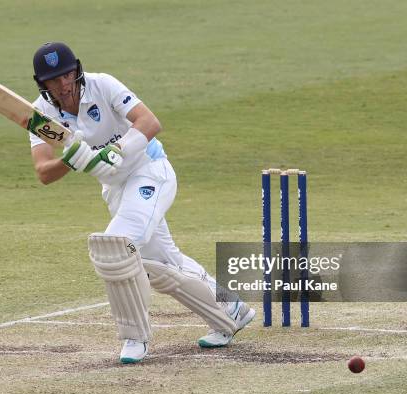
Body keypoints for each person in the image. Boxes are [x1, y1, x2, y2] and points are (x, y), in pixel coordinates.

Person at [28, 42, 255, 363]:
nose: (64, 85)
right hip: (116, 189)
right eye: (54, 80)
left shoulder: (102, 85)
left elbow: (149, 122)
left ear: (76, 70)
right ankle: (231, 310)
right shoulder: (42, 115)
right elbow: (43, 172)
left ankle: (134, 338)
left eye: (67, 76)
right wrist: (71, 160)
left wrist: (115, 150)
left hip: (149, 171)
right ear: (43, 84)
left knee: (116, 248)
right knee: (164, 264)